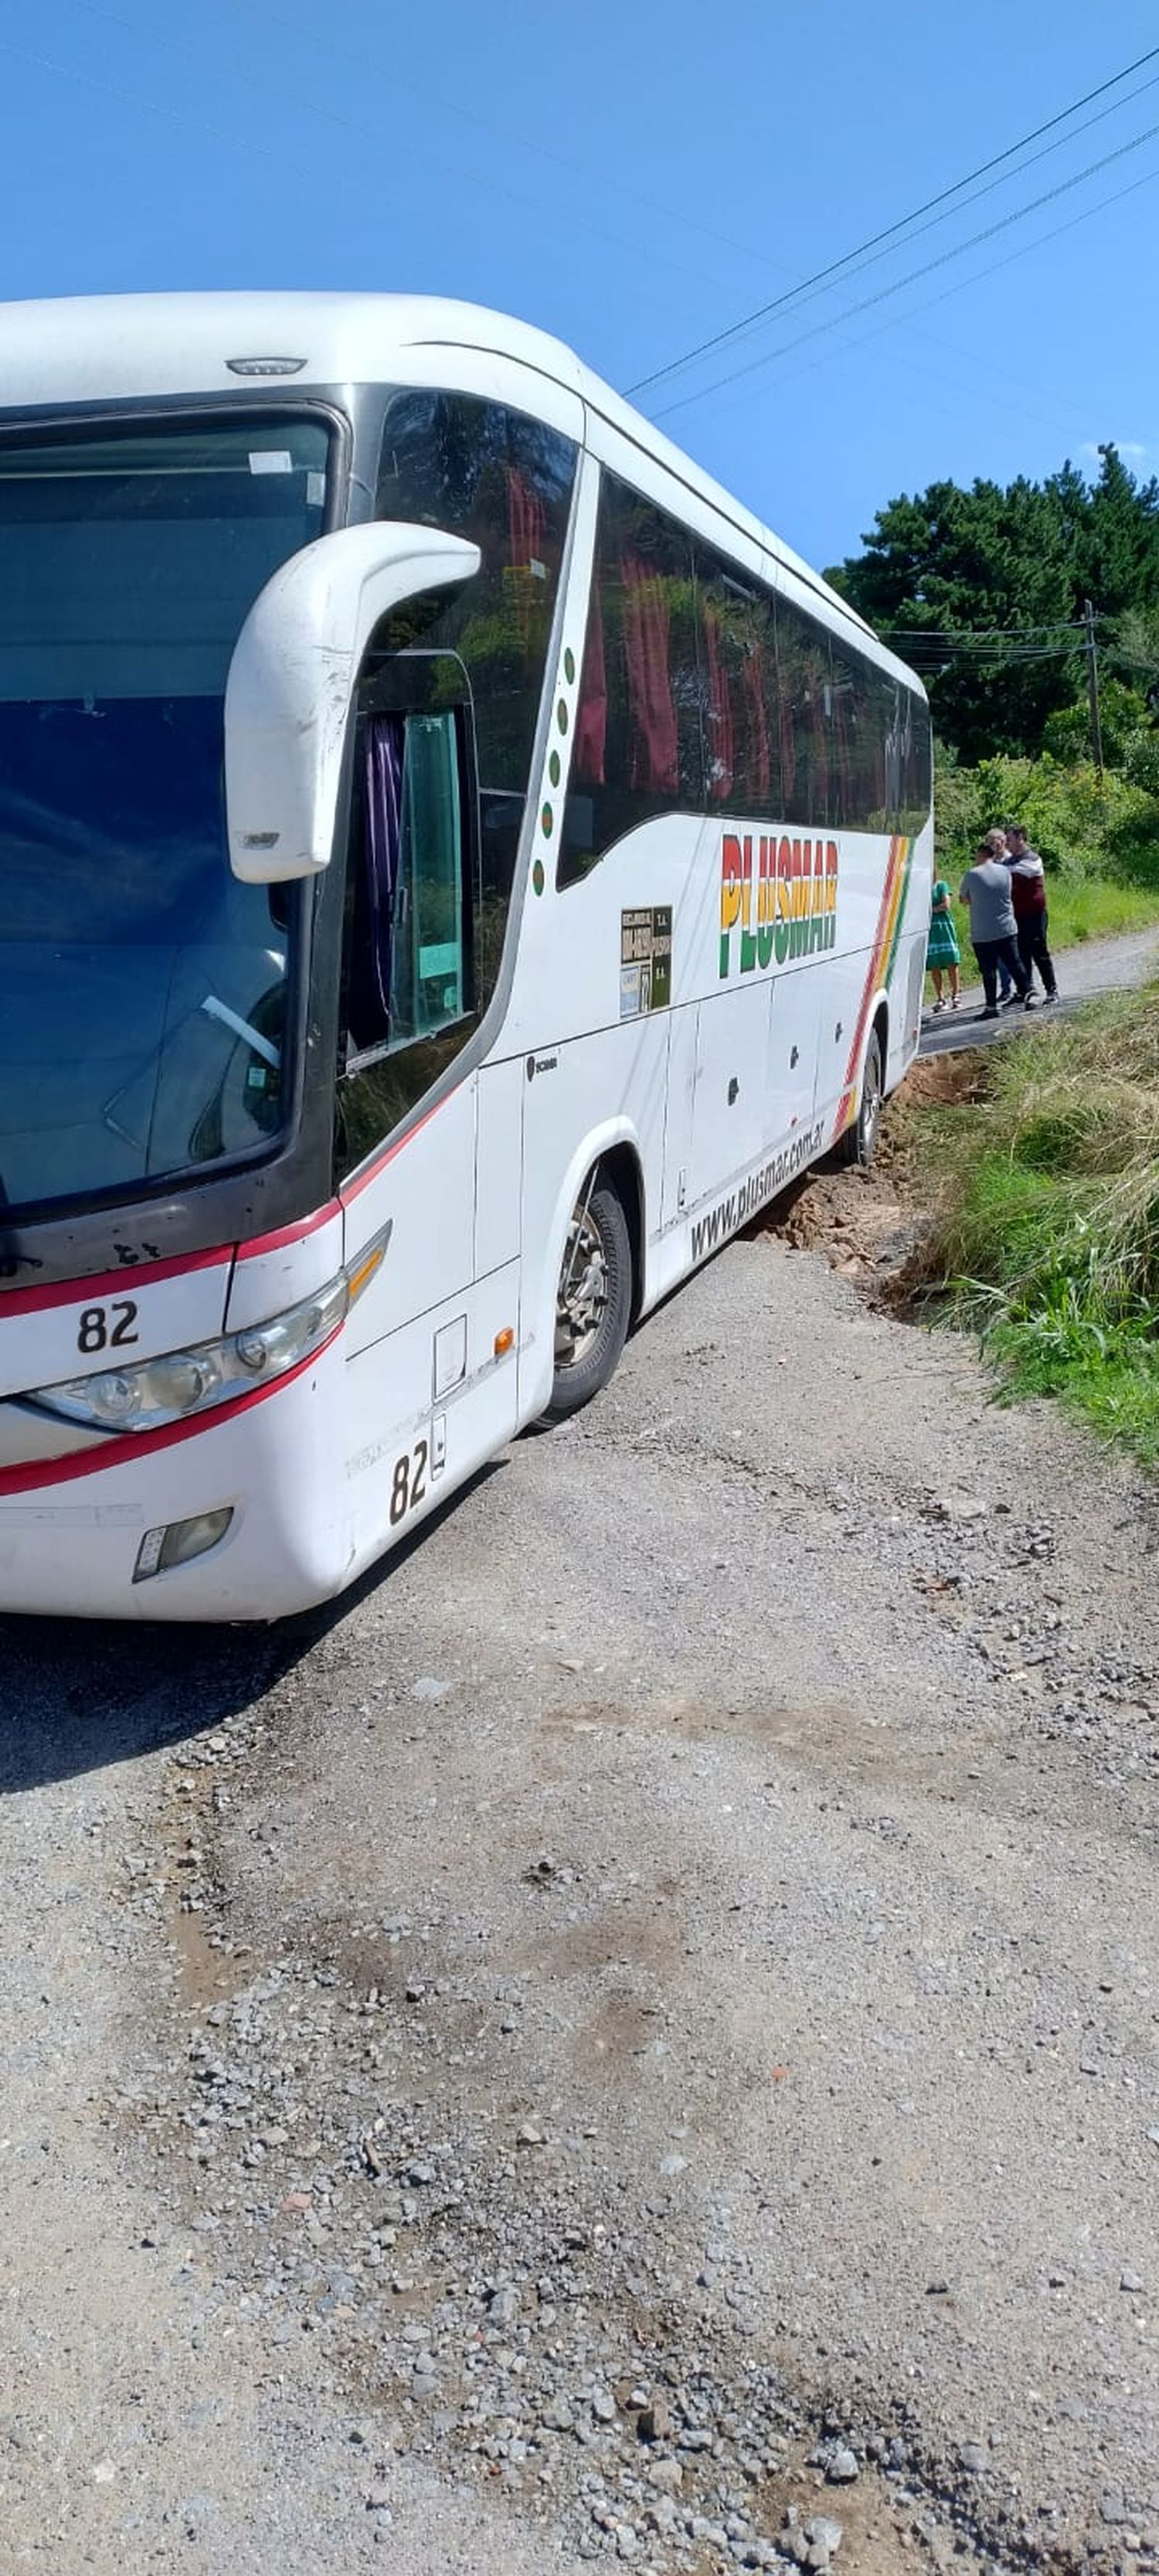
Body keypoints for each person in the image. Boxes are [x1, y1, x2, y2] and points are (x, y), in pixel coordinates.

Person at [958, 837, 1035, 1019]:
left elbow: (964, 900)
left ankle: (991, 1006)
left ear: (980, 855)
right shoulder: (1005, 871)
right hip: (1006, 927)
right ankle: (1028, 993)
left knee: (988, 971)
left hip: (983, 931)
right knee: (1015, 963)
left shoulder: (972, 875)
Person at [1004, 823, 1058, 1000]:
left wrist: (1002, 871)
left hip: (1035, 914)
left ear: (1020, 839)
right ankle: (1026, 990)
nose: (1007, 844)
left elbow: (1021, 872)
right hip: (1016, 915)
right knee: (1020, 953)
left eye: (1010, 839)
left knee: (1039, 952)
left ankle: (1051, 990)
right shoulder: (1008, 862)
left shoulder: (1033, 859)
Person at [926, 872, 960, 1010]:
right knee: (934, 963)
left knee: (951, 960)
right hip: (930, 929)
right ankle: (940, 998)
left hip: (943, 925)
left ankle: (956, 995)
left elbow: (946, 905)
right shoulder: (922, 888)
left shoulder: (941, 885)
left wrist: (932, 910)